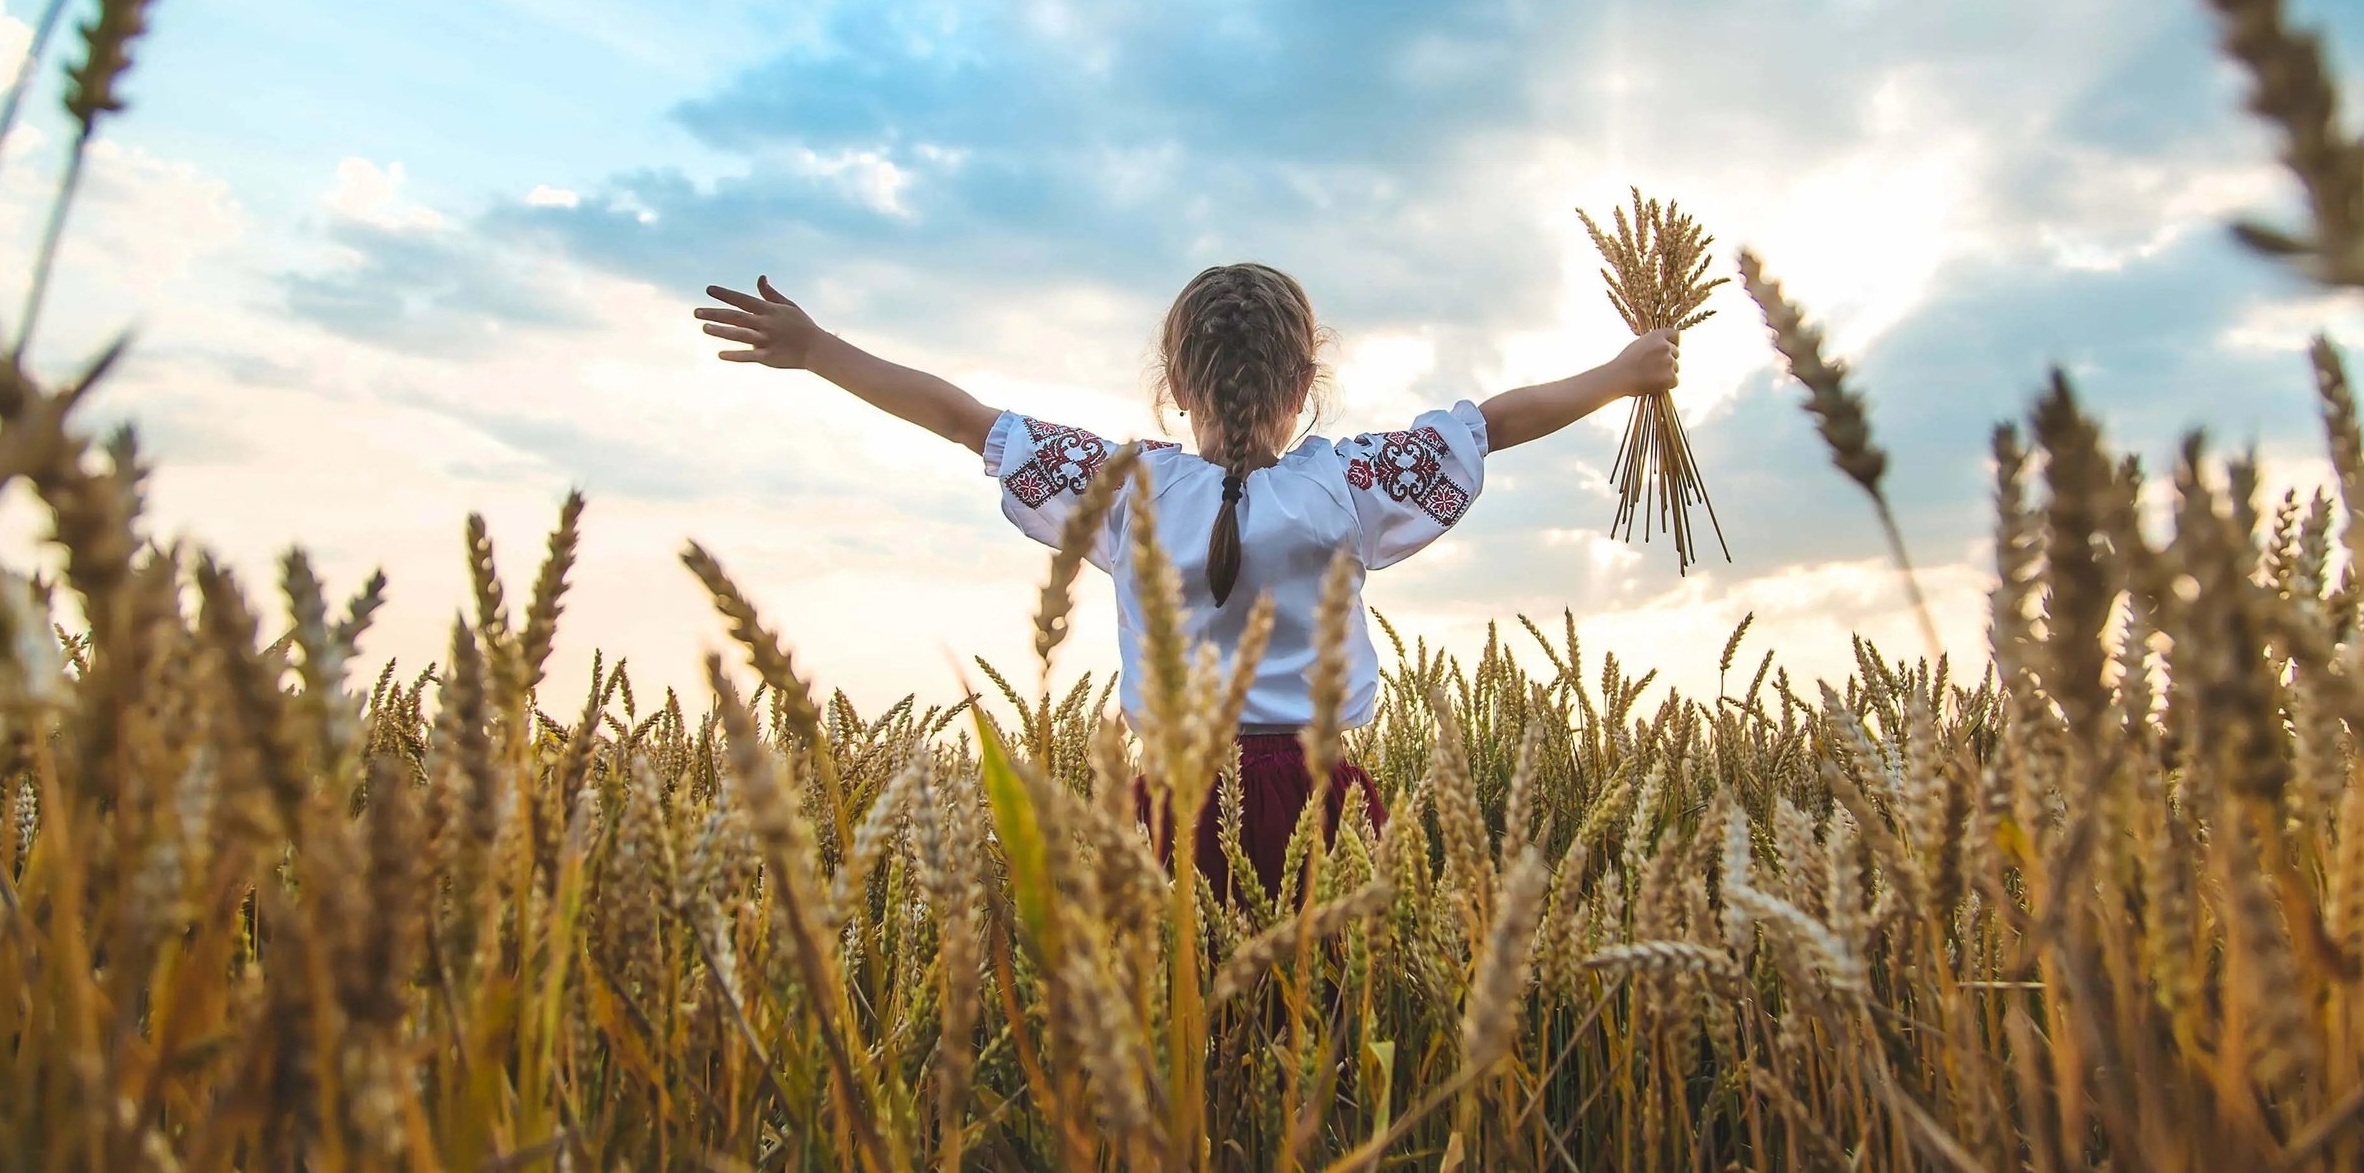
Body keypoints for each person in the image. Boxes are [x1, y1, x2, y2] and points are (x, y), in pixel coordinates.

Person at [693, 264, 1678, 893]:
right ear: (1304, 386)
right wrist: (1624, 371)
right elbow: (1496, 421)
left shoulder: (1125, 489)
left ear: (1172, 387)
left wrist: (818, 350)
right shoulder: (1345, 484)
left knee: (1181, 1053)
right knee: (1325, 1043)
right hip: (1322, 802)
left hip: (1165, 805)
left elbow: (963, 418)